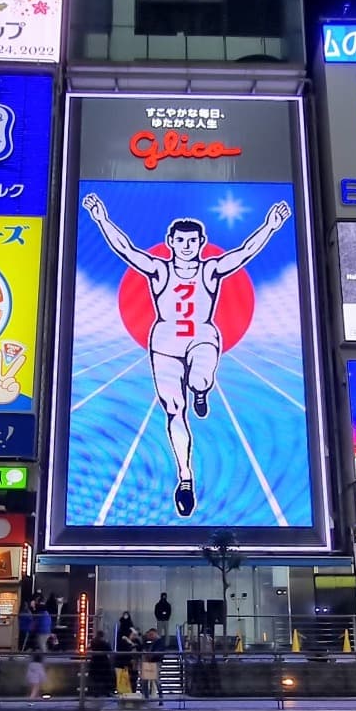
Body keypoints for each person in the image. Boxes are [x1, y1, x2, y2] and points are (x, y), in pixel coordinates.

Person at [82, 193, 291, 517]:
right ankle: (185, 477)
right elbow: (125, 249)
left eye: (192, 241)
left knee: (199, 377)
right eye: (181, 241)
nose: (187, 246)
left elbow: (245, 252)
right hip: (164, 342)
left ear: (201, 242)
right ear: (171, 242)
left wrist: (270, 226)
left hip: (202, 336)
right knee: (174, 411)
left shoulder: (210, 270)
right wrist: (101, 218)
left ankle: (202, 390)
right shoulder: (159, 270)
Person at [86, 633, 114, 697]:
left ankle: (96, 693)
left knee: (96, 679)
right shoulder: (104, 643)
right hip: (103, 662)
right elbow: (110, 650)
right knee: (106, 679)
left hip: (94, 662)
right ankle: (107, 692)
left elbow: (89, 648)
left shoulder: (93, 642)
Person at [141, 628, 164, 704]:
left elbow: (158, 652)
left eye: (151, 635)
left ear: (155, 633)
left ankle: (160, 697)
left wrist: (150, 654)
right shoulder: (152, 642)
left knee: (156, 680)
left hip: (155, 662)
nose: (150, 637)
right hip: (150, 662)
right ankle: (147, 697)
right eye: (149, 635)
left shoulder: (159, 642)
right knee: (146, 680)